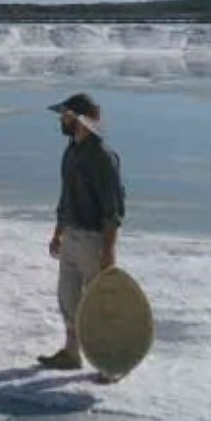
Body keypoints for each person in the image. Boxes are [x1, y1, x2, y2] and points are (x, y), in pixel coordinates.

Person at [38, 93, 126, 371]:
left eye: (65, 115)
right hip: (72, 237)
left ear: (79, 119)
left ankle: (111, 364)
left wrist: (109, 251)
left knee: (99, 306)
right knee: (68, 299)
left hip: (93, 240)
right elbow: (67, 197)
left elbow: (113, 207)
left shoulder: (102, 157)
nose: (61, 120)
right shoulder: (72, 150)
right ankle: (71, 353)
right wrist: (58, 231)